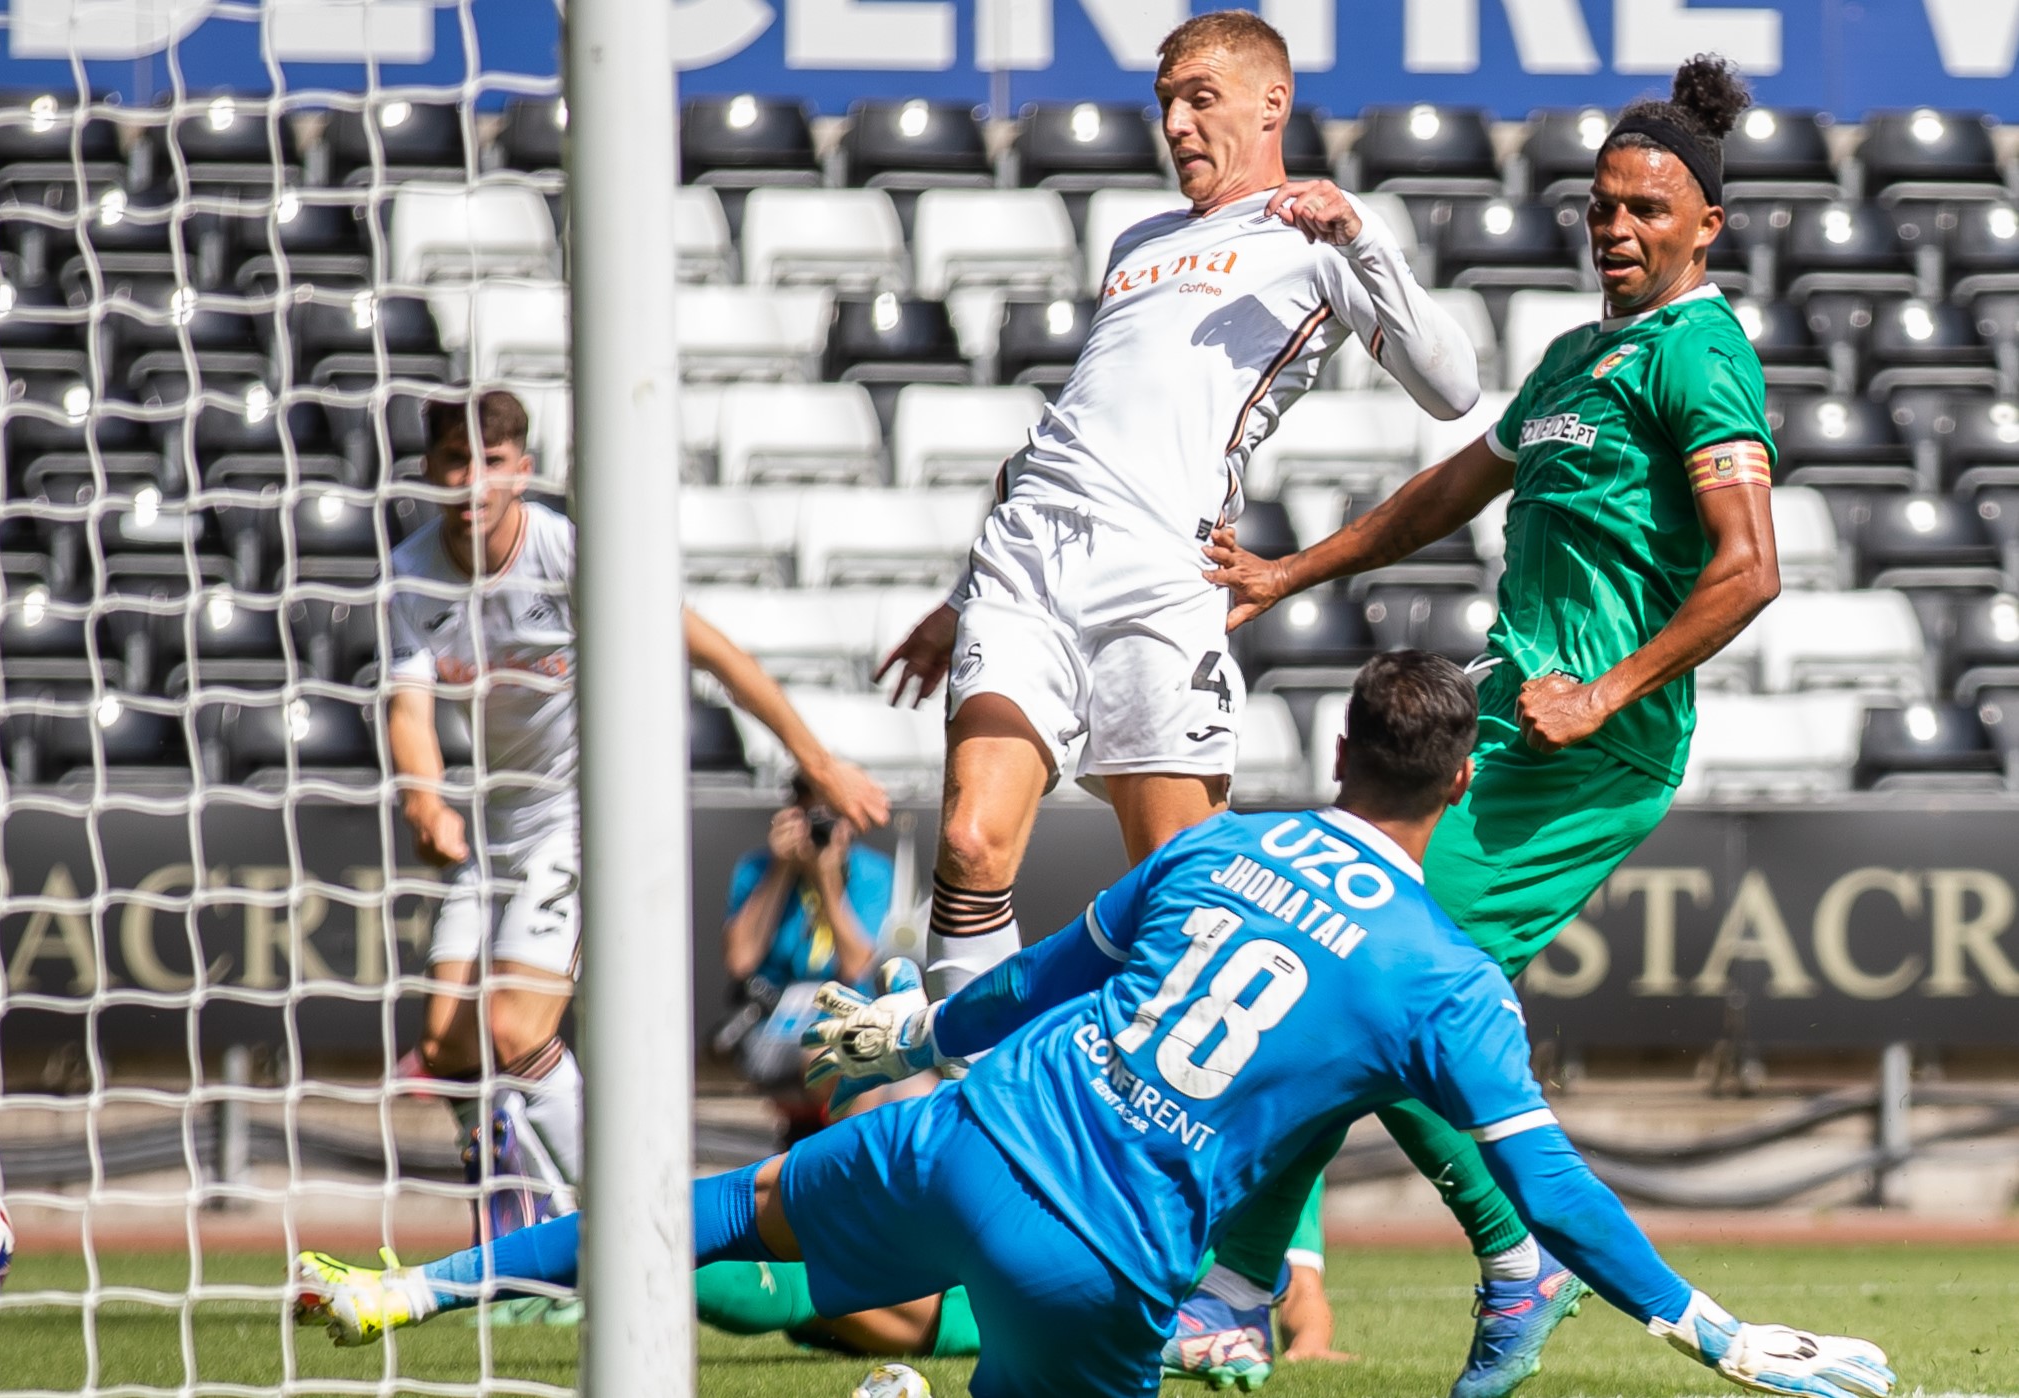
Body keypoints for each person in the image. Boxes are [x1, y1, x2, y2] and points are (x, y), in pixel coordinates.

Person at [289, 653, 1891, 1398]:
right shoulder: (1446, 978)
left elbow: (1030, 981)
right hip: (1109, 1252)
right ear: (1458, 782)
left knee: (711, 1213)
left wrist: (908, 1033)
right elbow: (1547, 1195)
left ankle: (411, 1286)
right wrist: (1715, 1331)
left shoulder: (1214, 845)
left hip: (975, 1125)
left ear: (1335, 749)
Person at [1180, 54, 1782, 1398]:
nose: (1615, 229)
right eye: (1599, 207)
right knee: (1343, 960)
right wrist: (1290, 572)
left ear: (1706, 226)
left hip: (1586, 749)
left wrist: (1609, 687)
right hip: (1500, 722)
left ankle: (1295, 1279)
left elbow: (1749, 565)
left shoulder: (1700, 354)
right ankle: (1276, 1283)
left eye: (1645, 209)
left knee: (1364, 974)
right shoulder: (1579, 356)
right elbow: (1449, 486)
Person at [874, 5, 1481, 1020]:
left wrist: (1361, 236)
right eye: (1166, 103)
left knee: (1181, 891)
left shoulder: (1321, 234)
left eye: (1201, 98)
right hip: (1025, 562)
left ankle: (1167, 1133)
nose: (1177, 124)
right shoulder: (1138, 240)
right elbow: (1088, 418)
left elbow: (1453, 391)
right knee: (971, 844)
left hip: (1157, 576)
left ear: (1270, 101)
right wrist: (959, 593)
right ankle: (968, 1115)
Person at [388, 389, 889, 1238]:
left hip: (575, 820)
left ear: (524, 470)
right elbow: (408, 709)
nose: (472, 483)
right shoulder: (410, 572)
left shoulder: (568, 554)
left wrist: (816, 760)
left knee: (514, 1029)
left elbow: (715, 651)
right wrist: (424, 800)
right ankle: (520, 1210)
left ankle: (640, 1228)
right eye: (454, 463)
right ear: (430, 471)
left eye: (492, 463)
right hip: (488, 829)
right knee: (444, 1049)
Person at [716, 772, 894, 1139]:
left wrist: (826, 877)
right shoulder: (757, 868)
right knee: (837, 1060)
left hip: (849, 1019)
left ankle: (844, 1170)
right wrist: (780, 870)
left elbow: (856, 964)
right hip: (774, 1023)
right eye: (812, 815)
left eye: (830, 816)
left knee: (909, 1082)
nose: (820, 829)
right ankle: (836, 1173)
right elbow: (740, 961)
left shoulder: (870, 872)